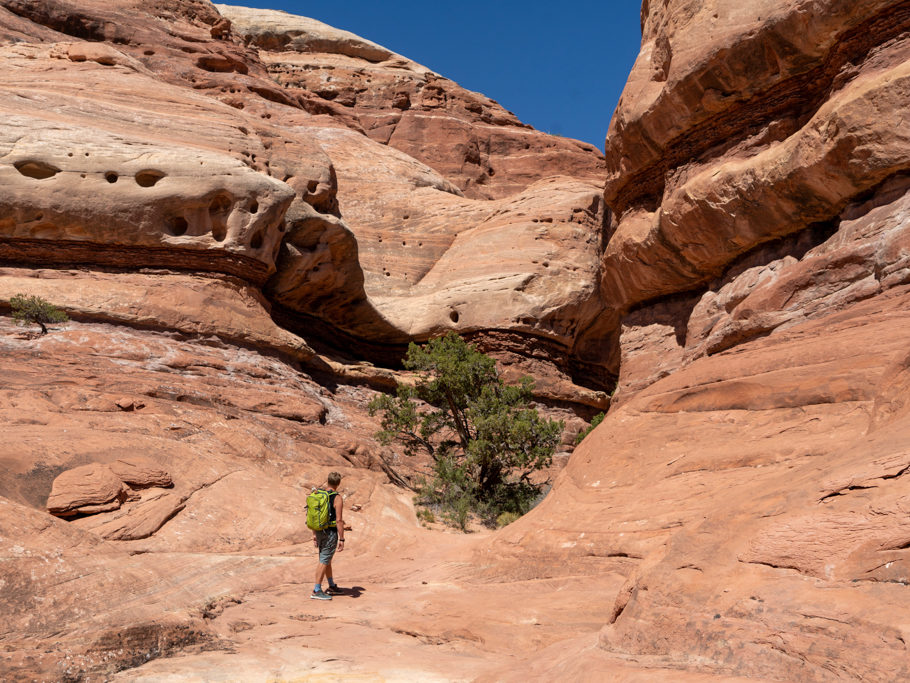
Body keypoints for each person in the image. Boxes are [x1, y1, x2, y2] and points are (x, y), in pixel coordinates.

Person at [311, 471, 345, 600]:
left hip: (319, 530)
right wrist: (342, 538)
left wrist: (314, 533)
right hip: (330, 532)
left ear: (328, 481)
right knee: (324, 560)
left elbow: (313, 514)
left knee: (326, 559)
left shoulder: (319, 495)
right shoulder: (337, 498)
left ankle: (331, 586)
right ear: (338, 483)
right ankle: (316, 590)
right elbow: (339, 520)